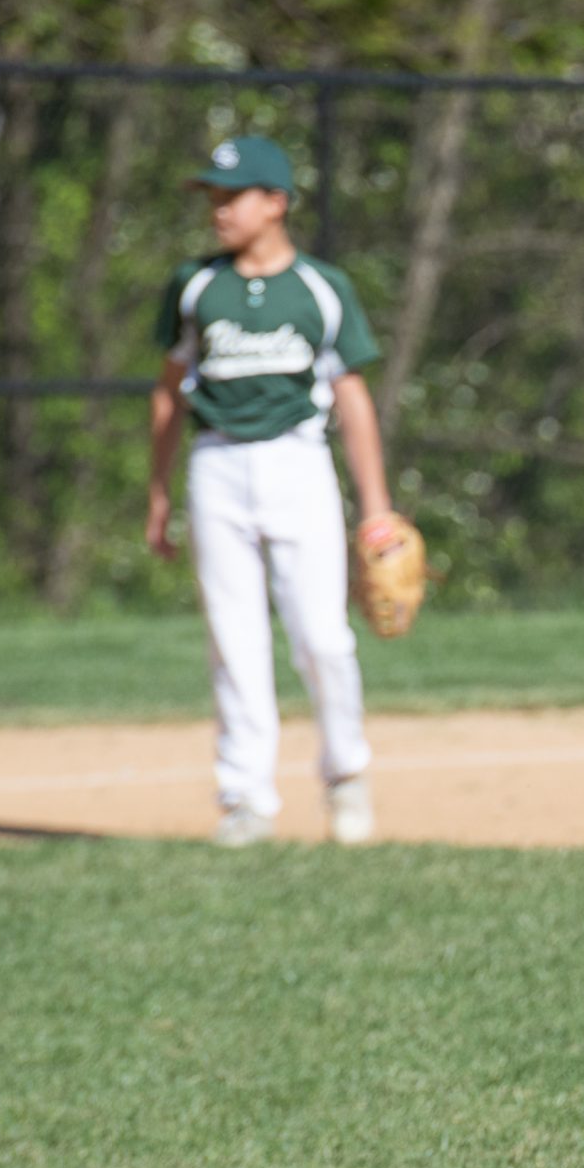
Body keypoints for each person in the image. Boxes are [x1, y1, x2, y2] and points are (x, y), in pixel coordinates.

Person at [145, 134, 404, 847]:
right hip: (217, 465)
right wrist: (159, 491)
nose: (220, 211)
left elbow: (352, 396)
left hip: (298, 463)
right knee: (234, 639)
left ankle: (346, 776)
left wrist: (376, 505)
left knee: (322, 637)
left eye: (234, 197)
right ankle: (245, 800)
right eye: (215, 198)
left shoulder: (321, 287)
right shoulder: (196, 285)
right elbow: (168, 393)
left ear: (276, 203)